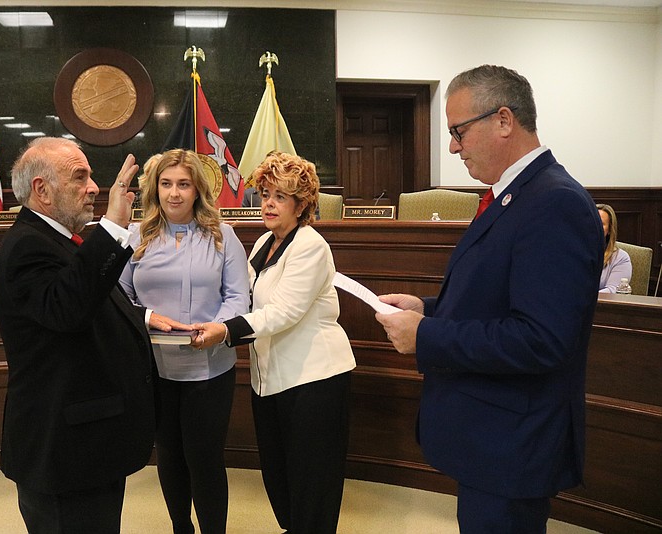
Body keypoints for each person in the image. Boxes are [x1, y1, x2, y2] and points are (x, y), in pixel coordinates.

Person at [375, 65, 603, 533]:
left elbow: (540, 339)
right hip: (491, 437)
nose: (454, 146)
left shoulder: (555, 202)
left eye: (459, 131)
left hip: (513, 444)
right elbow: (495, 303)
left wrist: (427, 337)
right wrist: (428, 310)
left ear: (503, 120)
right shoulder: (515, 196)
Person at [0, 137, 190, 533]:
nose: (94, 187)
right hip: (64, 450)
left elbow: (88, 302)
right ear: (41, 190)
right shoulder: (28, 247)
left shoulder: (58, 240)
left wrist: (141, 317)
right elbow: (70, 308)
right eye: (79, 177)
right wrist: (114, 225)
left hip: (85, 445)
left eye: (92, 176)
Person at [194, 152, 355, 534]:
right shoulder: (264, 241)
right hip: (270, 383)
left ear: (302, 204)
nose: (268, 203)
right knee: (280, 478)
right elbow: (246, 299)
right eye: (265, 194)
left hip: (315, 381)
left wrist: (226, 331)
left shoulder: (311, 245)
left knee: (312, 484)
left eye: (280, 196)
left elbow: (283, 313)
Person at [119, 149, 250, 534]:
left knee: (205, 459)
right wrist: (147, 317)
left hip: (209, 368)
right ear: (155, 189)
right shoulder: (136, 236)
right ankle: (181, 528)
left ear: (197, 190)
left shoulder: (223, 235)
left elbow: (238, 297)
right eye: (166, 184)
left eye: (183, 184)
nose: (174, 193)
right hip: (156, 369)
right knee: (170, 457)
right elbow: (119, 296)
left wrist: (218, 328)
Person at [596, 203, 632, 293]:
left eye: (601, 223)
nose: (594, 226)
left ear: (609, 230)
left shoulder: (621, 258)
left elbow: (613, 290)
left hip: (602, 305)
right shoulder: (573, 251)